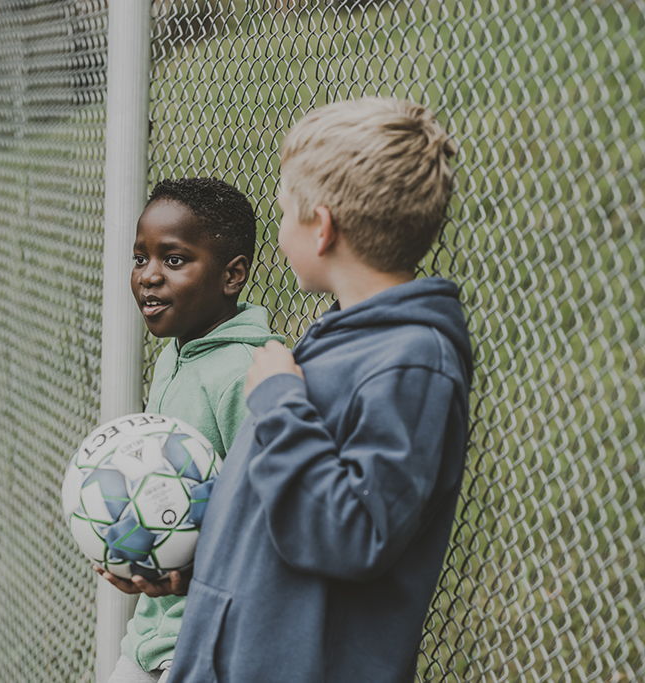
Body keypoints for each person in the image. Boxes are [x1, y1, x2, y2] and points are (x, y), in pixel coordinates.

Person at [164, 97, 473, 682]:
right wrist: (200, 565)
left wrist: (280, 402)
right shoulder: (347, 340)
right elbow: (287, 512)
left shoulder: (412, 365)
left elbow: (354, 533)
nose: (277, 234)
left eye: (284, 213)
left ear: (322, 226)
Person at [95, 177, 284, 683]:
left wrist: (194, 569)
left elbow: (267, 513)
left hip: (208, 644)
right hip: (148, 639)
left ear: (232, 275)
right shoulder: (173, 356)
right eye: (141, 258)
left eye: (173, 260)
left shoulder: (247, 373)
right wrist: (128, 544)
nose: (148, 277)